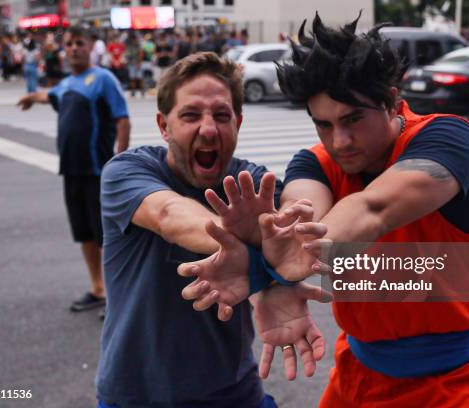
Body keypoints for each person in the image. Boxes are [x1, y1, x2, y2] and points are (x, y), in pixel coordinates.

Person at [180, 13, 469, 407]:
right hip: (353, 375)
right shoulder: (314, 162)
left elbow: (372, 209)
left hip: (446, 387)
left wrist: (283, 263)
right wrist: (267, 268)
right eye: (324, 125)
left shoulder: (449, 138)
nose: (340, 140)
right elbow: (301, 214)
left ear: (393, 102)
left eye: (353, 119)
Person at [95, 51, 329, 407]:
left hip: (234, 396)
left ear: (238, 122)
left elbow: (292, 242)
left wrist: (280, 281)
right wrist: (252, 248)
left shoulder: (253, 184)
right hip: (134, 397)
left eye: (222, 116)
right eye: (190, 115)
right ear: (163, 125)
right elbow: (168, 215)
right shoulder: (128, 170)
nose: (208, 129)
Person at [17, 25, 131, 313]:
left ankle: (118, 297)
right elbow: (50, 96)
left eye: (79, 43)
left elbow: (122, 119)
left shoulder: (103, 79)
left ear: (91, 47)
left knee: (106, 236)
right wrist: (31, 98)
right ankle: (98, 288)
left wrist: (120, 159)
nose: (74, 48)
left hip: (97, 170)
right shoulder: (67, 83)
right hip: (71, 171)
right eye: (69, 44)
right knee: (84, 234)